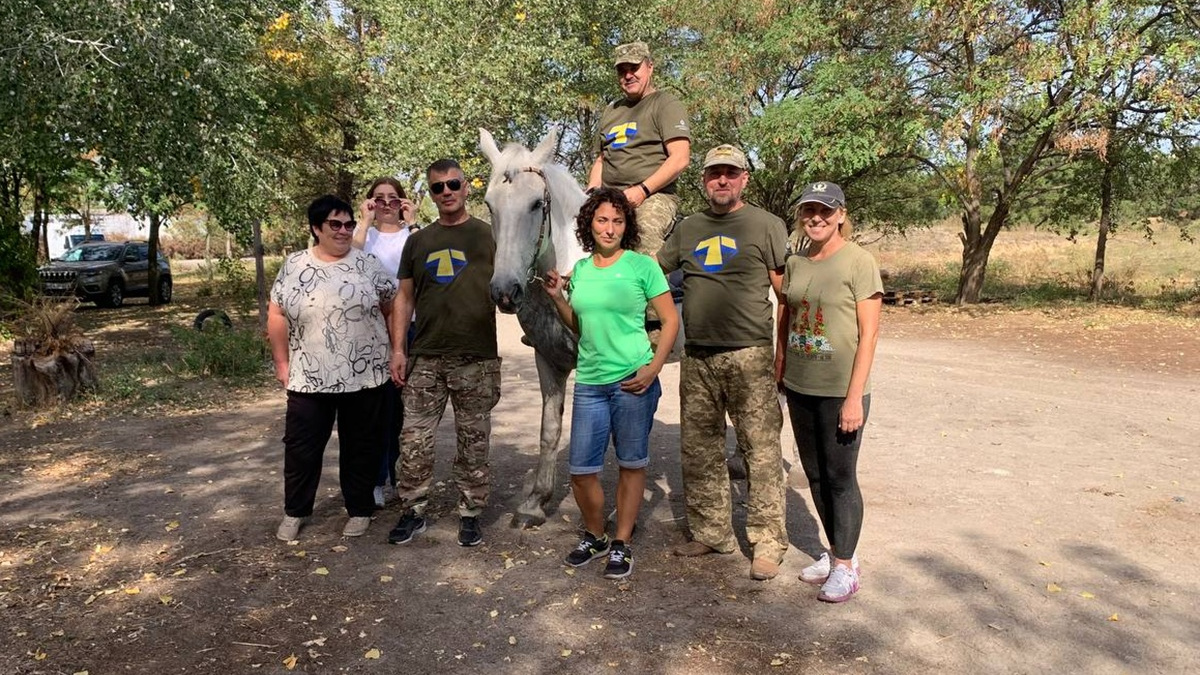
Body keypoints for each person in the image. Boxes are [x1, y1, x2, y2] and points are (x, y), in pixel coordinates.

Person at [658, 144, 789, 581]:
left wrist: (783, 352)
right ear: (704, 180)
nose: (722, 181)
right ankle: (712, 532)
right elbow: (652, 273)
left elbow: (785, 292)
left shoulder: (767, 225)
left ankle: (768, 542)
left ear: (744, 179)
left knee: (761, 450)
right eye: (715, 174)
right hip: (697, 355)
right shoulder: (687, 228)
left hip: (749, 353)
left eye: (731, 173)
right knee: (699, 450)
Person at [542, 188, 679, 580]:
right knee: (581, 470)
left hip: (632, 380)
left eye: (617, 221)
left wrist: (654, 368)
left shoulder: (642, 267)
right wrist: (557, 298)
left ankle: (621, 542)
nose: (610, 228)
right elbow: (581, 327)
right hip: (590, 381)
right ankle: (595, 535)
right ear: (589, 224)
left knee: (631, 465)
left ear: (627, 226)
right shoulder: (582, 270)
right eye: (602, 220)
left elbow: (670, 321)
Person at [268, 195, 397, 541]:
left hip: (365, 376)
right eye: (334, 224)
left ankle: (359, 509)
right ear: (315, 228)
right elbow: (276, 313)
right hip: (309, 377)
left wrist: (397, 349)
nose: (343, 231)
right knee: (301, 449)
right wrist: (282, 363)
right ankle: (295, 511)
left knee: (361, 446)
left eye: (349, 224)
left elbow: (391, 307)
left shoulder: (367, 265)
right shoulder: (294, 265)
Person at [387, 159, 501, 548]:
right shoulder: (417, 242)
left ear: (466, 187)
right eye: (438, 187)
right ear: (431, 194)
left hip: (476, 358)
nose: (447, 191)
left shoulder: (489, 236)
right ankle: (413, 511)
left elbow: (511, 286)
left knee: (474, 441)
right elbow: (404, 298)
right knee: (414, 440)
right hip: (426, 356)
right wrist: (398, 349)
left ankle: (470, 512)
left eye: (453, 184)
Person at [777, 181, 882, 603]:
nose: (816, 217)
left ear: (840, 214)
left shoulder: (859, 262)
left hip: (841, 390)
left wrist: (854, 396)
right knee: (815, 475)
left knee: (840, 478)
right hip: (801, 386)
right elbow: (786, 317)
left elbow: (870, 334)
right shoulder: (797, 263)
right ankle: (835, 552)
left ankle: (846, 566)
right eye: (809, 210)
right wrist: (779, 367)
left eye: (825, 210)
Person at [587, 41, 691, 260]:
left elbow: (680, 158)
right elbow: (601, 160)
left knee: (642, 238)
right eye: (622, 71)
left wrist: (642, 190)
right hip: (610, 197)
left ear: (650, 67)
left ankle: (652, 293)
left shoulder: (665, 103)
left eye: (634, 68)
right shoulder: (611, 110)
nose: (628, 75)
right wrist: (591, 194)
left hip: (653, 196)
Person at [353, 177, 419, 508]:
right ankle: (377, 478)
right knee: (378, 408)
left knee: (405, 411)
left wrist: (414, 223)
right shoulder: (365, 236)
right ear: (370, 203)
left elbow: (427, 265)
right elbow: (349, 263)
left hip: (411, 329)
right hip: (374, 330)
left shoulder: (414, 235)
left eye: (394, 198)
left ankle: (400, 478)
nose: (387, 204)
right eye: (379, 199)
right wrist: (364, 221)